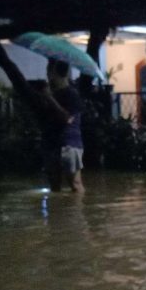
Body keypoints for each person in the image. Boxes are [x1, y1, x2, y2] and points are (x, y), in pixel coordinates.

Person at [43, 58, 85, 193]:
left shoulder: (71, 94)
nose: (47, 75)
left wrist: (50, 98)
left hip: (69, 144)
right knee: (54, 187)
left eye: (49, 71)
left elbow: (68, 118)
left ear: (54, 73)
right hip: (52, 144)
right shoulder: (53, 94)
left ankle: (79, 213)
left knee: (75, 184)